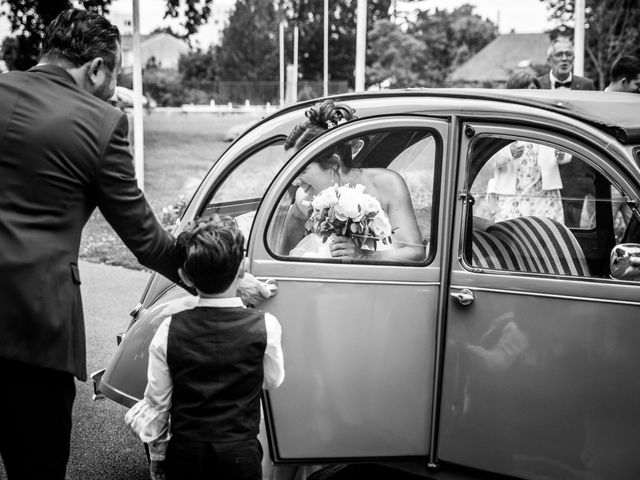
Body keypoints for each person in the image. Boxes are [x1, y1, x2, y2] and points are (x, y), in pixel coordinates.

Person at [0, 9, 272, 480]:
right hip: (32, 322)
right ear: (97, 68)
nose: (114, 89)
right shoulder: (100, 122)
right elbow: (146, 240)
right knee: (36, 463)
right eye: (115, 76)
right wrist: (225, 280)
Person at [125, 215, 285, 480]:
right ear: (242, 272)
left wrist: (154, 448)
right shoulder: (267, 325)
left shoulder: (168, 329)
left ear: (185, 276)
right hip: (241, 455)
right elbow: (272, 380)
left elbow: (158, 402)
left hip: (186, 455)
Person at [282, 99, 425, 262]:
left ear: (334, 163)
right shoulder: (303, 200)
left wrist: (364, 256)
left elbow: (415, 253)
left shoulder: (387, 184)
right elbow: (282, 259)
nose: (294, 182)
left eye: (302, 170)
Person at [487, 70, 568, 224]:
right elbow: (488, 159)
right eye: (524, 91)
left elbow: (565, 151)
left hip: (544, 196)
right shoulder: (501, 120)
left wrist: (561, 154)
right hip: (512, 197)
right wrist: (509, 153)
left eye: (533, 91)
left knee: (546, 238)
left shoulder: (548, 118)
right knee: (511, 239)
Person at [536, 36, 596, 227]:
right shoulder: (537, 85)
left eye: (568, 54)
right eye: (559, 54)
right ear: (549, 60)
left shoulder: (587, 86)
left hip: (575, 171)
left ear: (573, 58)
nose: (564, 59)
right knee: (543, 223)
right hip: (542, 168)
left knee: (573, 226)